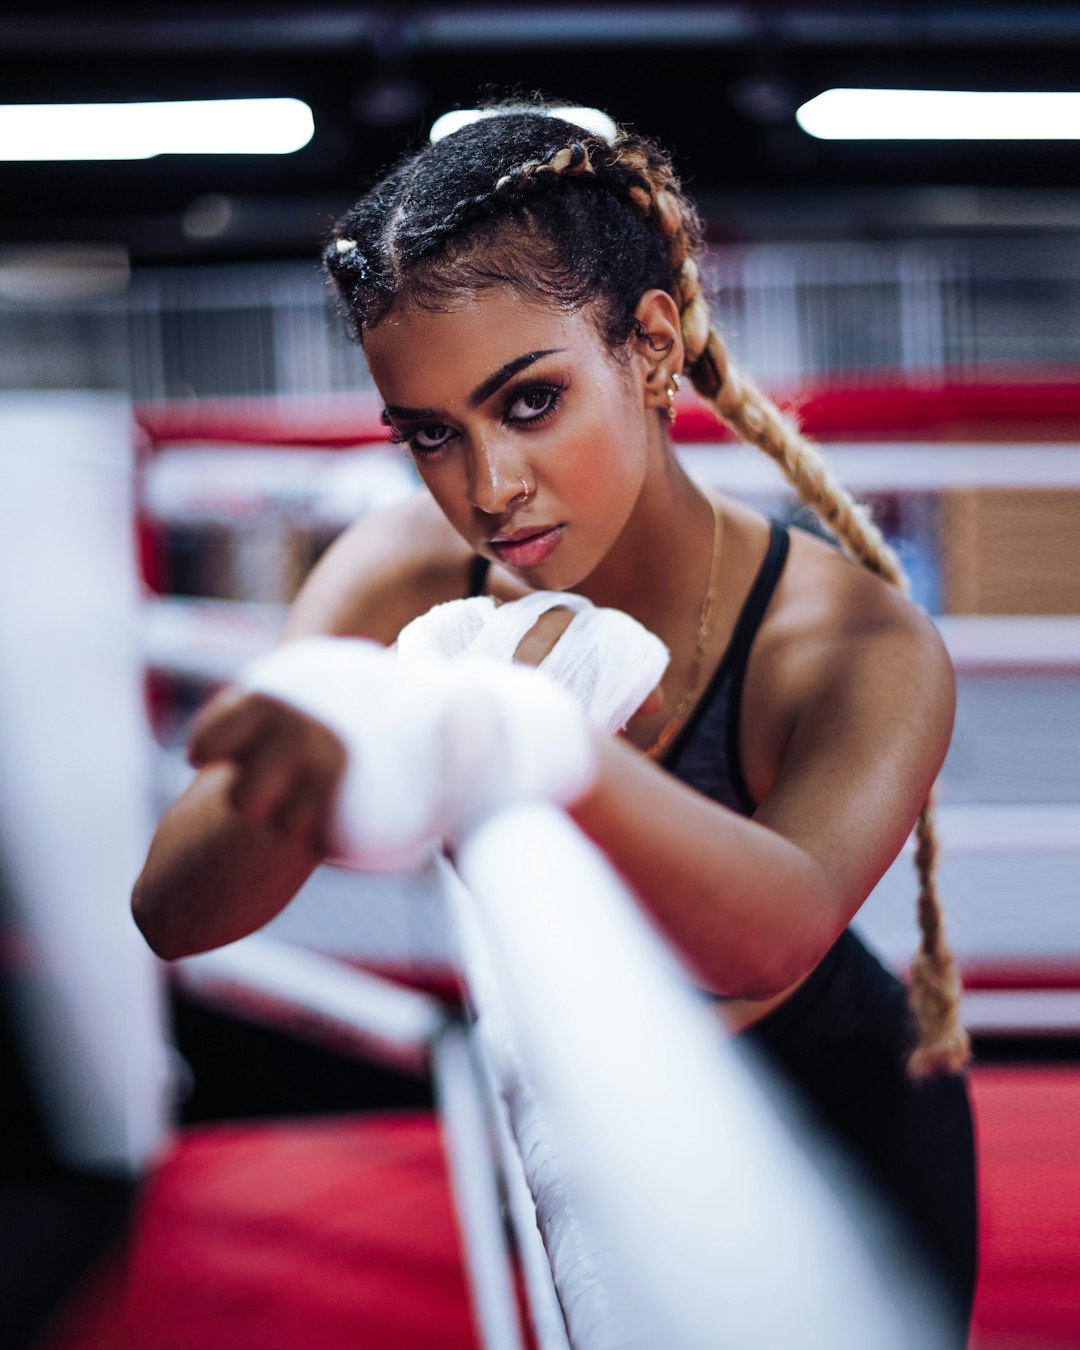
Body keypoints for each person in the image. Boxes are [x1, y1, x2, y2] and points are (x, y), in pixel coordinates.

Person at [132, 102, 977, 1334]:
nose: (487, 488)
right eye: (430, 434)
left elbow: (767, 940)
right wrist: (331, 729)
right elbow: (174, 911)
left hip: (834, 1146)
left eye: (528, 402)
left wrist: (516, 740)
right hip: (587, 1119)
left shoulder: (851, 643)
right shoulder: (405, 572)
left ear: (648, 346)